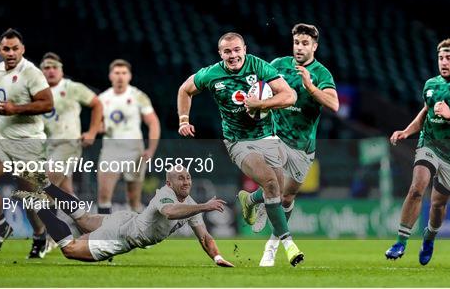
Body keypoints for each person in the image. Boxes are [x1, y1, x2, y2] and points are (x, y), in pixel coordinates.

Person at [177, 32, 304, 266]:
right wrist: (184, 120)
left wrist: (261, 104)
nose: (233, 55)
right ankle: (289, 245)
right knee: (271, 183)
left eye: (237, 50)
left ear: (244, 49)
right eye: (227, 51)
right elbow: (185, 89)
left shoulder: (259, 66)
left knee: (276, 190)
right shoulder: (211, 73)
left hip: (268, 137)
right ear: (220, 54)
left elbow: (290, 96)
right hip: (238, 141)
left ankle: (250, 200)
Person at [385, 39, 450, 265]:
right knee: (416, 188)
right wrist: (407, 131)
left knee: (438, 204)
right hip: (429, 143)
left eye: (449, 58)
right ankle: (400, 242)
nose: (443, 62)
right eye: (441, 57)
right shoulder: (431, 84)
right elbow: (425, 111)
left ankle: (430, 237)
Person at [11, 167, 234, 267]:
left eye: (188, 178)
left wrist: (217, 257)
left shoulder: (193, 206)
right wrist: (204, 206)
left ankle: (47, 185)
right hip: (121, 236)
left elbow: (205, 238)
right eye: (180, 179)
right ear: (169, 183)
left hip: (126, 219)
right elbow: (170, 212)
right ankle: (38, 203)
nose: (186, 182)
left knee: (85, 220)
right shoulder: (164, 196)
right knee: (70, 249)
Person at [250, 23, 339, 266]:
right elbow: (258, 87)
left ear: (314, 46)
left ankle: (253, 203)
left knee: (287, 198)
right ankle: (273, 249)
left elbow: (334, 105)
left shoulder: (321, 73)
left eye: (305, 44)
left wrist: (310, 87)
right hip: (275, 138)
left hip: (303, 146)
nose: (299, 47)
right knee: (275, 188)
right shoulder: (278, 65)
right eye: (296, 43)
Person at [0, 28, 54, 257]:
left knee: (28, 196)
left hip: (28, 142)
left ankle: (40, 236)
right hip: (1, 139)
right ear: (0, 50)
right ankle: (2, 225)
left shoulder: (32, 73)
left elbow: (47, 103)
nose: (11, 52)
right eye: (6, 48)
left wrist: (15, 109)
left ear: (23, 50)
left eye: (15, 48)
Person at [97, 59, 161, 214]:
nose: (120, 76)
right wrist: (99, 129)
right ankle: (104, 236)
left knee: (133, 198)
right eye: (117, 73)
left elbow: (153, 123)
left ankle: (136, 233)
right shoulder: (102, 99)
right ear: (110, 75)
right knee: (104, 195)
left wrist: (151, 149)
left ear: (129, 76)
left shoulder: (138, 96)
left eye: (124, 73)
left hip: (134, 151)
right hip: (110, 150)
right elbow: (97, 126)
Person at [40, 52, 103, 195]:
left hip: (68, 144)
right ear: (41, 71)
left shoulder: (72, 87)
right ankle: (85, 218)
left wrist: (92, 132)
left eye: (54, 67)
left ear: (61, 70)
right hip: (48, 147)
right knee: (66, 191)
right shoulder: (38, 93)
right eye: (46, 67)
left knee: (46, 186)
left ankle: (45, 218)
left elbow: (97, 104)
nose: (51, 70)